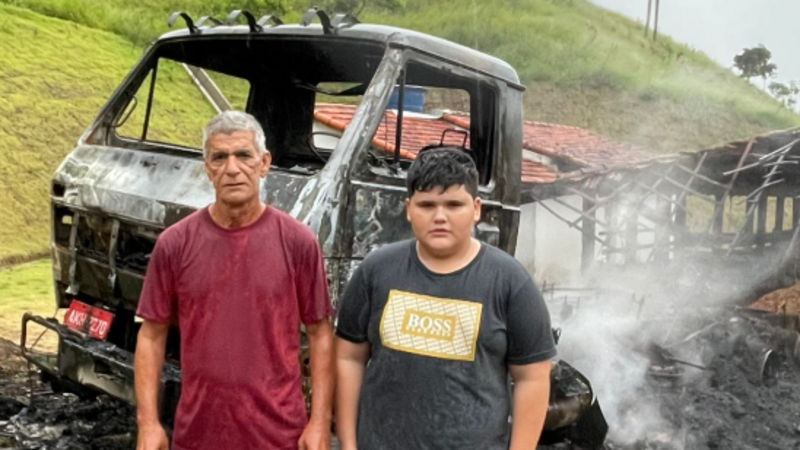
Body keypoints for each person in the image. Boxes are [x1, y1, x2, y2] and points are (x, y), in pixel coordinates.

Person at [133, 111, 334, 450]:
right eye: (219, 157)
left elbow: (320, 334)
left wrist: (319, 423)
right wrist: (149, 423)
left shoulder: (298, 242)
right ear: (207, 168)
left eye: (243, 155)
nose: (232, 168)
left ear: (264, 162)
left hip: (278, 435)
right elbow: (151, 337)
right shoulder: (175, 244)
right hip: (198, 435)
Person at [335, 147, 556, 450]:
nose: (440, 216)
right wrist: (348, 443)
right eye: (427, 205)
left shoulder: (510, 283)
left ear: (476, 208)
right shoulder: (376, 271)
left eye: (454, 204)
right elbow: (348, 357)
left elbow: (532, 379)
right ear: (409, 208)